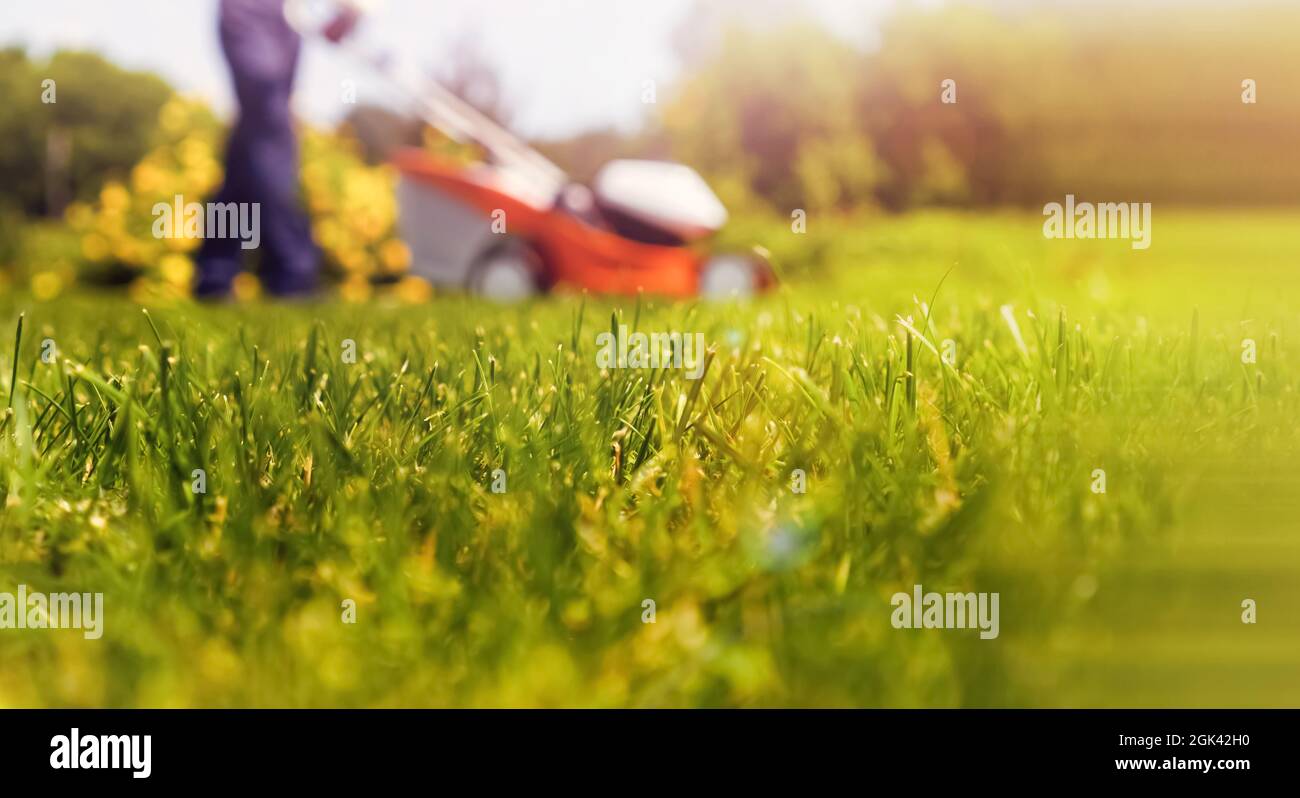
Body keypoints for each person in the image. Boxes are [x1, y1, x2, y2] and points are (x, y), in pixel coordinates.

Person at [195, 0, 366, 299]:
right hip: (246, 10)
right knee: (271, 124)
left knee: (251, 143)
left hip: (286, 16)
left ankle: (215, 273)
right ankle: (292, 272)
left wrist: (351, 9)